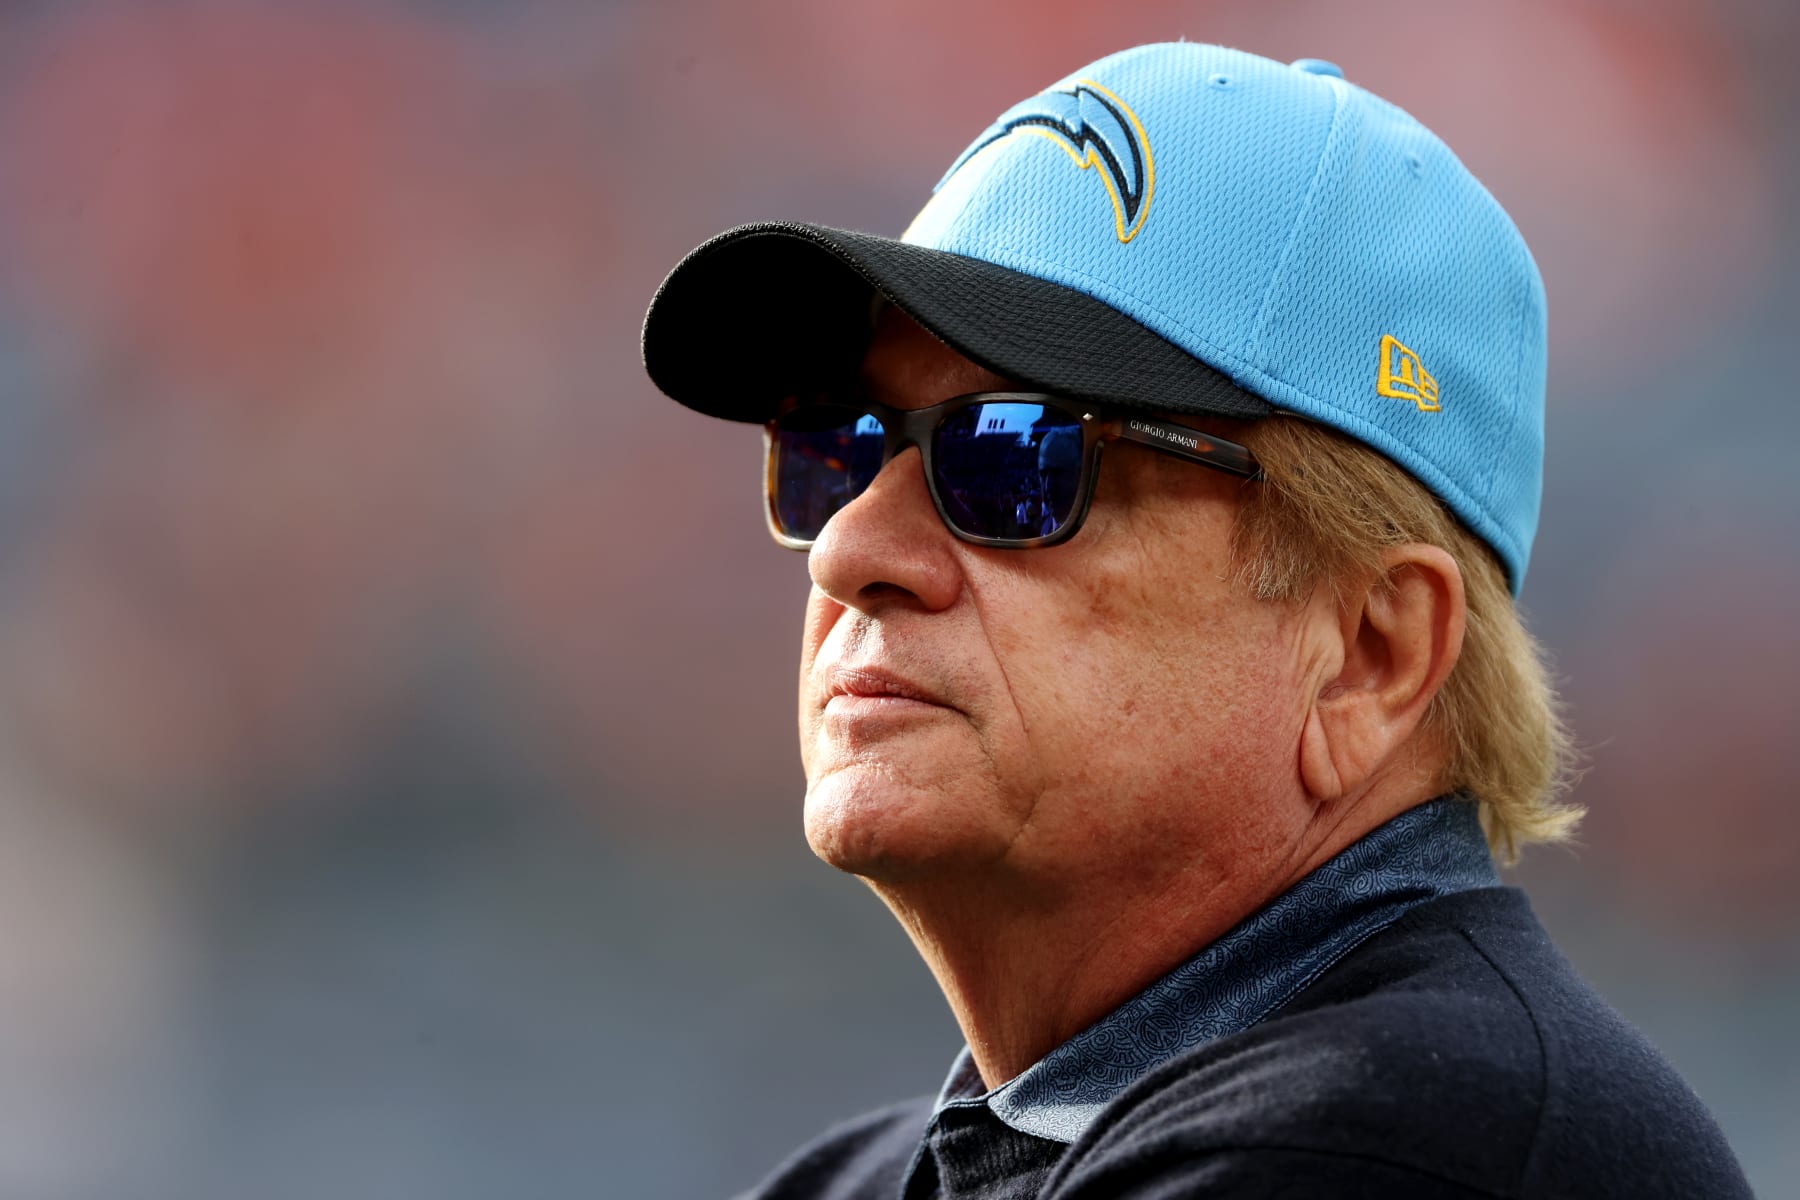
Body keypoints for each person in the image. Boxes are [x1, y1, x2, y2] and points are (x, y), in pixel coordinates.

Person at [640, 43, 1750, 1200]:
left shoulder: (1398, 1138)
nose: (851, 549)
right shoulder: (861, 1179)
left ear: (1371, 658)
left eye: (1020, 457)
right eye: (838, 452)